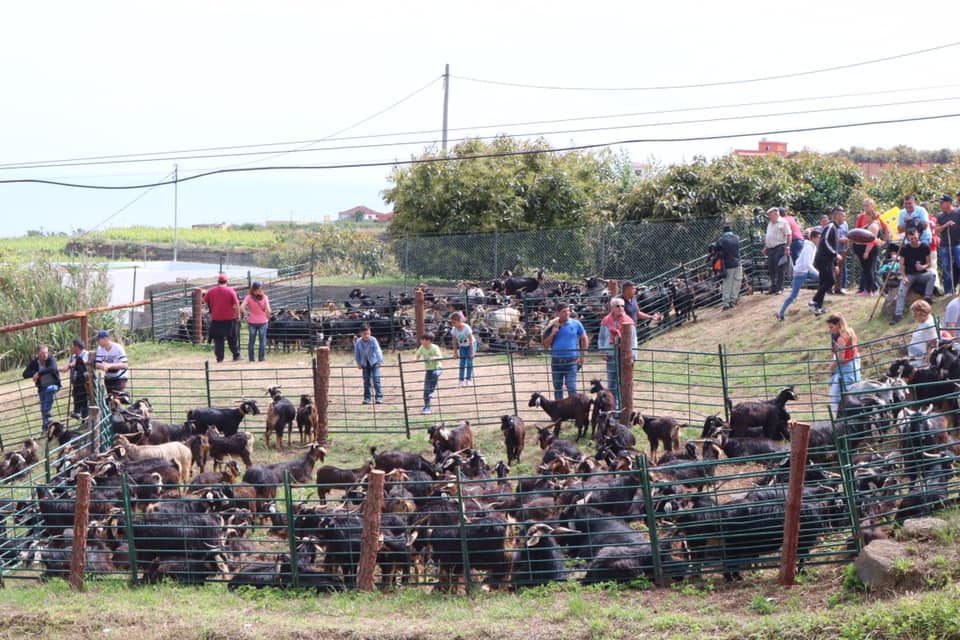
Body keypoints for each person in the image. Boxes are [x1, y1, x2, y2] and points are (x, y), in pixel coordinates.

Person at [542, 303, 588, 400]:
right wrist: (553, 334)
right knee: (558, 388)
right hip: (556, 362)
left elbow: (584, 338)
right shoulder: (552, 326)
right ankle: (560, 412)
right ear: (558, 313)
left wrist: (583, 355)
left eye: (568, 311)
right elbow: (545, 345)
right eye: (564, 311)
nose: (567, 313)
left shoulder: (576, 324)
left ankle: (574, 411)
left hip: (571, 361)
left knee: (572, 388)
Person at [597, 297, 638, 409]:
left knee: (624, 383)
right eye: (618, 306)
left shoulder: (628, 321)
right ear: (612, 308)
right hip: (611, 356)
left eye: (622, 306)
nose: (620, 308)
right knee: (612, 384)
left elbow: (633, 340)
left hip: (624, 356)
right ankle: (613, 407)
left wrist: (633, 355)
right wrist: (602, 351)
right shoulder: (605, 322)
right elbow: (601, 338)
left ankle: (623, 408)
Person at [891, 227, 935, 325]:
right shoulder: (905, 249)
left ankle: (927, 297)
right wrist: (904, 276)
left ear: (918, 235)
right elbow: (901, 265)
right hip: (909, 275)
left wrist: (923, 266)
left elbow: (929, 263)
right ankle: (898, 314)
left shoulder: (924, 247)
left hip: (922, 274)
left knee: (932, 276)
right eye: (911, 239)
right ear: (907, 238)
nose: (913, 240)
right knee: (902, 291)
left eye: (915, 238)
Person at [778, 229, 820, 321]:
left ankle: (817, 305)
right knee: (793, 295)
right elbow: (807, 264)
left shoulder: (813, 246)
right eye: (819, 238)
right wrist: (817, 273)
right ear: (813, 238)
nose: (820, 240)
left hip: (805, 271)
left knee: (823, 281)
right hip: (800, 273)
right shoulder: (809, 247)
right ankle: (780, 313)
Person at [811, 207, 845, 316]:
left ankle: (818, 307)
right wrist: (835, 255)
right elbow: (824, 241)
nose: (844, 218)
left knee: (823, 282)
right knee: (830, 281)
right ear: (837, 215)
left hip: (828, 259)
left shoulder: (836, 228)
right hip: (823, 259)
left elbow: (832, 245)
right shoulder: (830, 226)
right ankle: (814, 301)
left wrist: (834, 263)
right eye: (843, 216)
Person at [826, 314, 860, 415]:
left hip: (845, 369)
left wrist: (831, 369)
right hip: (853, 366)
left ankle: (839, 419)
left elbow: (841, 358)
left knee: (836, 396)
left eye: (831, 327)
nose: (830, 330)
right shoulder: (850, 332)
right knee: (852, 393)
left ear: (838, 325)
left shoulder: (841, 338)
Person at [203, 273, 241, 363]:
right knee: (232, 338)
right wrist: (238, 315)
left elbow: (204, 301)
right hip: (230, 319)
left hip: (216, 319)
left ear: (218, 281)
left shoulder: (211, 291)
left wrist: (211, 307)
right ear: (226, 281)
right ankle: (236, 355)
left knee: (218, 339)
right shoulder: (231, 291)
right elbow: (236, 304)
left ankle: (220, 358)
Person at [22, 344, 60, 429]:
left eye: (46, 352)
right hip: (42, 387)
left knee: (50, 390)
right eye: (43, 353)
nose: (45, 355)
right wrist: (34, 374)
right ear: (38, 354)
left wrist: (39, 373)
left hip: (53, 384)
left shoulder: (51, 359)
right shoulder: (35, 362)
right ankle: (45, 428)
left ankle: (47, 413)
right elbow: (24, 374)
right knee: (43, 406)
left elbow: (53, 368)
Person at [854, 201, 882, 296]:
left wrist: (866, 252)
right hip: (863, 250)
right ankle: (865, 289)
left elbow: (871, 240)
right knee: (866, 270)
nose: (865, 217)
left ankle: (869, 290)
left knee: (869, 269)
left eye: (866, 216)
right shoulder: (868, 224)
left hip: (870, 251)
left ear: (871, 216)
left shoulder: (873, 225)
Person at [239, 281, 271, 362]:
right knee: (262, 340)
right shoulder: (265, 297)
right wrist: (268, 316)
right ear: (261, 289)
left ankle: (251, 359)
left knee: (251, 341)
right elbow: (268, 310)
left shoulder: (248, 297)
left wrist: (247, 314)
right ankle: (261, 358)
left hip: (252, 321)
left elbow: (241, 307)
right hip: (263, 321)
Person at [762, 207, 791, 294]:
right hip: (770, 248)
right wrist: (765, 247)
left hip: (780, 247)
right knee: (771, 268)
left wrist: (788, 247)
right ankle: (773, 287)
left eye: (770, 214)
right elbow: (768, 236)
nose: (769, 216)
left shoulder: (783, 222)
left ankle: (780, 288)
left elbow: (789, 234)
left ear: (775, 214)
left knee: (779, 268)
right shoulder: (770, 223)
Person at [935, 195, 960, 295]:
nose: (940, 205)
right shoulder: (940, 215)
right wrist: (946, 225)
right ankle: (949, 291)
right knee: (946, 267)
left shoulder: (958, 212)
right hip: (945, 244)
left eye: (942, 202)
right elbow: (936, 230)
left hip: (958, 243)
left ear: (949, 203)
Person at [353, 322, 384, 405]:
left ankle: (379, 397)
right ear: (361, 334)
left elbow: (378, 351)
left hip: (374, 362)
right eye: (364, 334)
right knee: (366, 381)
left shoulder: (373, 340)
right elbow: (357, 353)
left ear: (370, 332)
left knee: (376, 379)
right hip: (364, 363)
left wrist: (380, 361)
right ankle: (367, 398)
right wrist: (358, 363)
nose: (366, 335)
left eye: (368, 333)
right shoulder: (358, 342)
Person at [59, 338, 89, 420]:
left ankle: (84, 419)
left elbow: (81, 362)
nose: (71, 348)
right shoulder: (73, 356)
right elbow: (70, 364)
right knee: (77, 398)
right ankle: (78, 414)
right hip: (76, 383)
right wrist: (64, 368)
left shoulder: (86, 354)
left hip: (85, 382)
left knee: (84, 400)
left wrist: (68, 366)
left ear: (76, 347)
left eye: (72, 346)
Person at [414, 332, 442, 415]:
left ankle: (432, 390)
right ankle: (427, 407)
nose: (421, 341)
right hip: (428, 369)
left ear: (429, 341)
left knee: (435, 374)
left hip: (437, 367)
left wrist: (434, 357)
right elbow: (417, 354)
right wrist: (415, 359)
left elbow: (440, 357)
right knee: (426, 389)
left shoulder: (435, 347)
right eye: (421, 339)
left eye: (423, 339)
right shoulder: (422, 347)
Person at [716, 223, 743, 309]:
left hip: (727, 265)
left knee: (727, 283)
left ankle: (726, 303)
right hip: (737, 263)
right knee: (737, 282)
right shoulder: (737, 238)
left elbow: (717, 250)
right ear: (731, 230)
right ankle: (733, 300)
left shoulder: (721, 240)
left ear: (723, 231)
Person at [94, 330, 129, 394]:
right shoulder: (99, 349)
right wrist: (102, 366)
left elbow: (125, 365)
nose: (97, 342)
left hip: (120, 376)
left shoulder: (118, 348)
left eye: (99, 340)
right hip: (108, 377)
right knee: (110, 398)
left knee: (117, 398)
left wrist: (109, 365)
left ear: (106, 338)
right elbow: (97, 364)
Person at [906, 299, 937, 367]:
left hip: (922, 361)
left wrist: (928, 360)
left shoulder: (929, 324)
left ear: (921, 312)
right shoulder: (925, 322)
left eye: (914, 314)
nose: (914, 317)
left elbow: (933, 342)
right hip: (918, 359)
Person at [449, 311, 476, 388]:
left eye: (454, 322)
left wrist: (472, 352)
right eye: (452, 323)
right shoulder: (454, 329)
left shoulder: (466, 328)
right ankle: (461, 381)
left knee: (469, 362)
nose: (453, 324)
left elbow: (471, 340)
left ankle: (469, 380)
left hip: (471, 345)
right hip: (462, 346)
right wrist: (455, 352)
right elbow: (454, 341)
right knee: (462, 363)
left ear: (460, 321)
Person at [832, 206, 850, 295]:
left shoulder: (845, 224)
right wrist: (839, 240)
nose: (843, 217)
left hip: (842, 250)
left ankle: (838, 288)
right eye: (842, 215)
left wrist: (847, 246)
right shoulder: (832, 225)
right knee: (833, 269)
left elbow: (848, 236)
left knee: (841, 270)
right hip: (834, 250)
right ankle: (829, 287)